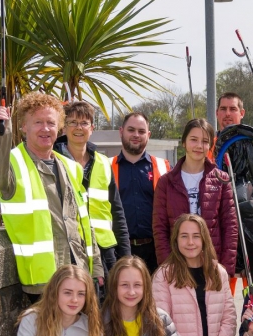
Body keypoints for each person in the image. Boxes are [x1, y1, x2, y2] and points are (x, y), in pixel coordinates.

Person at [0, 92, 103, 296]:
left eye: (50, 122)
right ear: (23, 126)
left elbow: (83, 222)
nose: (45, 128)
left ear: (60, 127)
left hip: (80, 276)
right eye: (38, 122)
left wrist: (97, 267)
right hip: (43, 283)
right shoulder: (13, 162)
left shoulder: (71, 167)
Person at [152, 118, 238, 277]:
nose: (199, 146)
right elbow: (160, 228)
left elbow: (230, 227)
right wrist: (167, 266)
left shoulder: (221, 180)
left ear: (210, 146)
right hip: (178, 267)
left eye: (205, 141)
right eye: (193, 140)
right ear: (183, 142)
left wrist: (225, 268)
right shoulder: (166, 182)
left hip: (212, 266)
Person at [55, 100, 131, 274]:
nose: (78, 128)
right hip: (72, 248)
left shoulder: (103, 163)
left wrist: (125, 256)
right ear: (64, 128)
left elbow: (117, 212)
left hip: (105, 250)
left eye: (84, 123)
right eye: (72, 122)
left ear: (92, 128)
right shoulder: (54, 161)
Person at [112, 112, 170, 273]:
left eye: (141, 131)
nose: (136, 135)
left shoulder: (164, 167)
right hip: (119, 251)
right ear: (121, 131)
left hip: (156, 252)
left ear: (148, 135)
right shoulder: (105, 167)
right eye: (131, 130)